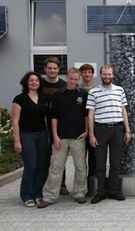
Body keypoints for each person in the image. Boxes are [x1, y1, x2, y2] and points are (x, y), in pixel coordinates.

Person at [37, 68, 89, 208]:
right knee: (56, 167)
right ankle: (50, 196)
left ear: (79, 79)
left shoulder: (83, 94)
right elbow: (53, 117)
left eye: (75, 79)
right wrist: (55, 136)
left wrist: (87, 131)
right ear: (67, 77)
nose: (72, 81)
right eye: (71, 78)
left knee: (80, 166)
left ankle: (79, 193)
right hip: (61, 137)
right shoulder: (57, 95)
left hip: (78, 136)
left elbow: (87, 115)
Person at [86, 64, 132, 204]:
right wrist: (92, 135)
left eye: (109, 74)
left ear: (113, 75)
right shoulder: (93, 92)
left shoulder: (120, 90)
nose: (107, 76)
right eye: (104, 74)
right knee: (100, 163)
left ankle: (113, 191)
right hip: (100, 130)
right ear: (101, 75)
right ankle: (100, 192)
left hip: (117, 129)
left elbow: (123, 110)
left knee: (115, 162)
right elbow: (90, 114)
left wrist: (127, 130)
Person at [11, 72, 49, 207]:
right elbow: (15, 121)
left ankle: (38, 193)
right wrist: (17, 140)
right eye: (31, 80)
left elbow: (45, 118)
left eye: (36, 80)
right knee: (31, 166)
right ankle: (26, 194)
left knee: (42, 166)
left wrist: (49, 135)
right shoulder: (19, 99)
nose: (34, 82)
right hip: (27, 136)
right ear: (26, 82)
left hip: (42, 135)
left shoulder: (43, 98)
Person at [40, 57, 69, 196]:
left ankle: (62, 184)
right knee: (44, 157)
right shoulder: (39, 84)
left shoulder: (63, 85)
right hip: (40, 127)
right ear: (45, 69)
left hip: (58, 127)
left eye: (55, 68)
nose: (52, 70)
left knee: (59, 158)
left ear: (59, 69)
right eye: (49, 68)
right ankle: (43, 184)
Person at [79, 63, 96, 195]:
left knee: (94, 158)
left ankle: (92, 187)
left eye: (89, 72)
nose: (87, 74)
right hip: (80, 129)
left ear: (92, 74)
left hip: (95, 129)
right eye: (84, 72)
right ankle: (81, 187)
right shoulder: (77, 89)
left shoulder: (97, 89)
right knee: (80, 160)